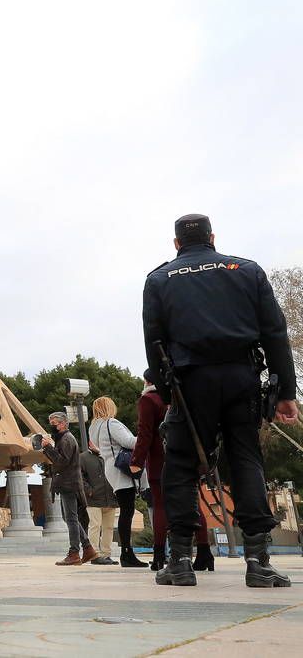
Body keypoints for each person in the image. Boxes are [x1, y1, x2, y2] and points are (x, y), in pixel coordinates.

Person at [143, 214, 298, 588]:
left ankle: (180, 561)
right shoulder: (247, 270)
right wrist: (286, 393)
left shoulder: (159, 279)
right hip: (241, 376)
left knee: (180, 464)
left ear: (176, 244)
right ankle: (259, 560)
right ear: (213, 237)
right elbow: (275, 332)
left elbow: (153, 343)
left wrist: (167, 397)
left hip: (190, 381)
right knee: (246, 459)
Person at [131, 370, 214, 573]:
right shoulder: (180, 396)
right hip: (187, 459)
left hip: (161, 461)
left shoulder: (148, 401)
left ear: (147, 381)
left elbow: (145, 434)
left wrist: (136, 461)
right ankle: (204, 553)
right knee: (195, 503)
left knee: (160, 506)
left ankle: (159, 555)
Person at [87, 396, 148, 568]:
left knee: (126, 510)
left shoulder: (93, 427)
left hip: (111, 469)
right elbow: (128, 441)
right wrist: (147, 436)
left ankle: (126, 553)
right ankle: (127, 553)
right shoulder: (111, 423)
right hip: (122, 468)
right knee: (127, 512)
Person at [43, 412, 97, 565]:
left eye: (54, 422)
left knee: (71, 519)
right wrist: (49, 448)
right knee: (71, 518)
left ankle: (74, 553)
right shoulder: (64, 439)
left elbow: (61, 462)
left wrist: (48, 448)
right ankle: (87, 548)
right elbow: (59, 460)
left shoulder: (66, 439)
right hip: (68, 483)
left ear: (63, 424)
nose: (52, 425)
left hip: (69, 484)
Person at [80, 439, 118, 565]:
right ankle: (94, 554)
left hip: (110, 498)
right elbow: (80, 476)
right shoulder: (83, 458)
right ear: (90, 442)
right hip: (93, 499)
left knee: (109, 527)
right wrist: (88, 490)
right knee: (95, 525)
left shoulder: (109, 455)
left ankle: (106, 555)